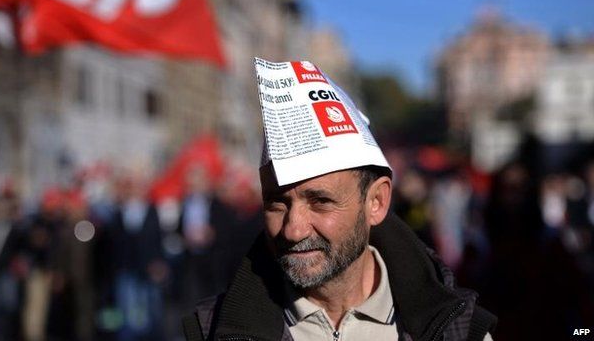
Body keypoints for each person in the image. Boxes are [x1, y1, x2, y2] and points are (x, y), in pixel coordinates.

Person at [182, 59, 496, 341]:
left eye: (320, 201)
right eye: (277, 203)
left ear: (376, 202)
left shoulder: (453, 330)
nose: (294, 230)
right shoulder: (213, 330)